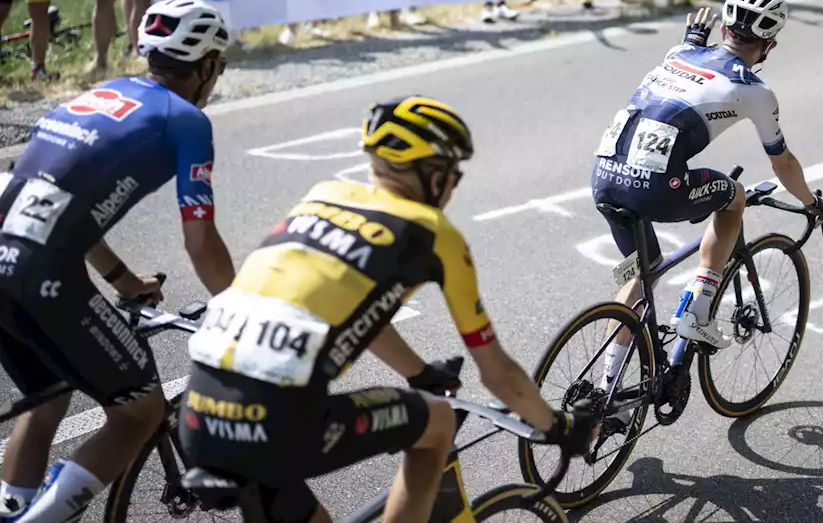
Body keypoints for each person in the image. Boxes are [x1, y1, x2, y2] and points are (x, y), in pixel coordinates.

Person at [177, 96, 597, 523]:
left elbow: (358, 310)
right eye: (453, 175)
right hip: (277, 426)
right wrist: (560, 428)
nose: (453, 187)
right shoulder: (433, 234)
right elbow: (499, 376)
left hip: (197, 416)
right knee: (436, 424)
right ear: (432, 175)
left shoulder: (324, 195)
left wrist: (420, 373)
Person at [0, 0, 236, 523]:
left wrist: (122, 279)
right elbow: (200, 241)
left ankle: (10, 507)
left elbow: (60, 206)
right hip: (44, 273)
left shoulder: (101, 94)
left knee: (49, 396)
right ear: (206, 66)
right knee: (140, 411)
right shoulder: (188, 120)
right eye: (219, 66)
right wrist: (241, 309)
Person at [590, 0, 823, 360]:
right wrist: (811, 202)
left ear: (724, 29)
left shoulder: (680, 52)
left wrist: (692, 40)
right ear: (770, 46)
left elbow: (689, 55)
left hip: (603, 177)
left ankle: (604, 390)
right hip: (654, 187)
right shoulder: (754, 90)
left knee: (644, 273)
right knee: (734, 195)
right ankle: (697, 312)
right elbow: (782, 162)